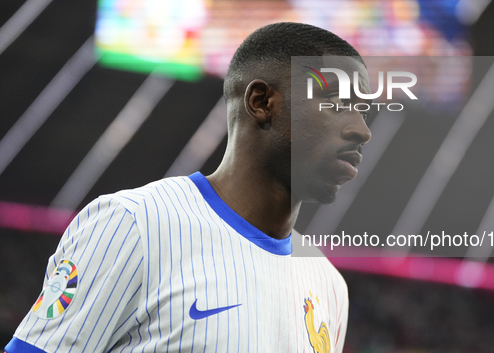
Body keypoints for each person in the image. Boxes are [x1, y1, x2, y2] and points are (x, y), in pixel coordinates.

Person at [5, 22, 372, 353]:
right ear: (262, 102)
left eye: (363, 111)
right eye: (338, 103)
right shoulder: (134, 225)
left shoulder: (328, 284)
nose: (362, 130)